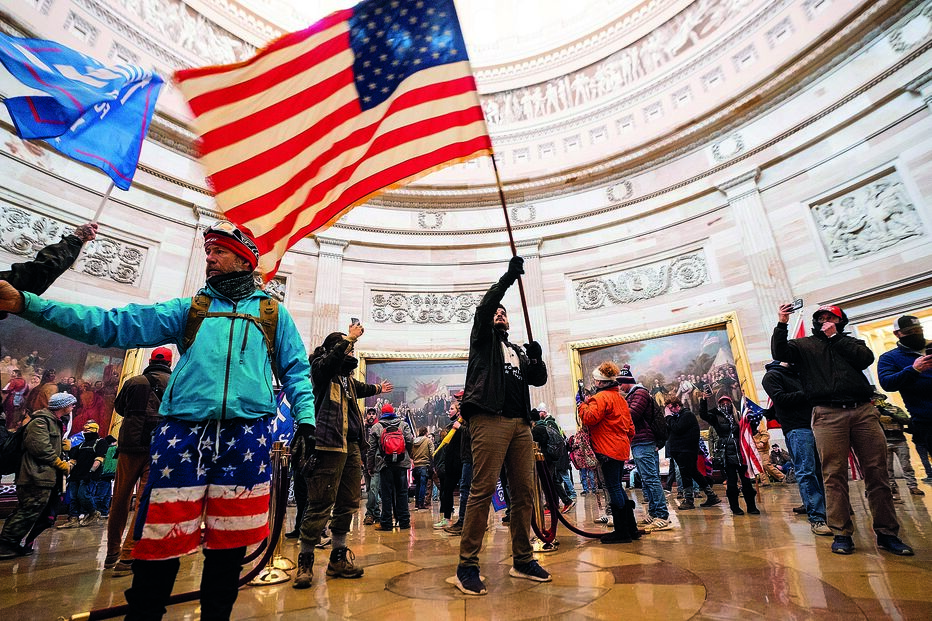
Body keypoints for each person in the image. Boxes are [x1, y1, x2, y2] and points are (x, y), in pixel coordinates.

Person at [0, 220, 317, 618]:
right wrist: (28, 304)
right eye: (208, 252)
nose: (210, 258)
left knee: (228, 549)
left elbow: (297, 371)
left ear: (244, 258)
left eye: (219, 251)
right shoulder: (189, 309)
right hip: (182, 435)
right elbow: (111, 324)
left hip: (246, 434)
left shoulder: (274, 314)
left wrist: (305, 420)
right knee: (159, 544)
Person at [772, 303, 912, 556]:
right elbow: (779, 350)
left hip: (862, 412)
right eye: (820, 318)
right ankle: (841, 532)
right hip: (827, 414)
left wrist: (834, 337)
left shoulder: (852, 343)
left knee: (877, 473)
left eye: (830, 318)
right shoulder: (804, 346)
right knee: (833, 474)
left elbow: (865, 359)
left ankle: (887, 533)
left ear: (840, 321)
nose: (824, 321)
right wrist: (782, 322)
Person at [454, 256, 549, 596]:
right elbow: (484, 308)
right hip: (488, 418)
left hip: (520, 423)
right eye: (498, 312)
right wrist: (509, 278)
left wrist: (536, 357)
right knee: (481, 490)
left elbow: (537, 379)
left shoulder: (516, 350)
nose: (499, 314)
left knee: (524, 492)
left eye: (504, 313)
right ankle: (467, 564)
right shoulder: (482, 340)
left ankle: (522, 559)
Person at [294, 325, 392, 589]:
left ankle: (338, 558)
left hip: (351, 447)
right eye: (348, 349)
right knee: (320, 503)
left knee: (348, 502)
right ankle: (305, 561)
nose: (351, 353)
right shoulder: (321, 371)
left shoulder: (346, 379)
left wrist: (377, 388)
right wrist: (348, 338)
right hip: (328, 445)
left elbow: (361, 388)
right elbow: (329, 363)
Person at [104, 347, 172, 576]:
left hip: (130, 445)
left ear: (151, 360)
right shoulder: (174, 383)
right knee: (145, 500)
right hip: (158, 446)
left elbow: (120, 408)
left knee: (120, 498)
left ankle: (112, 550)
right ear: (170, 363)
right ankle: (128, 554)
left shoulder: (134, 382)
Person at [0, 392, 75, 559]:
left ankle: (12, 542)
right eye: (71, 403)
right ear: (62, 406)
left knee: (32, 511)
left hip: (43, 476)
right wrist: (59, 463)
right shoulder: (41, 421)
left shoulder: (54, 422)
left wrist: (63, 448)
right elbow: (40, 448)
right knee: (28, 510)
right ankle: (5, 544)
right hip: (34, 475)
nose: (73, 407)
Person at [762, 360, 830, 531]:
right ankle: (817, 517)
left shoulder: (800, 375)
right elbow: (781, 399)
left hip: (817, 424)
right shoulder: (772, 376)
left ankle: (824, 508)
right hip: (797, 428)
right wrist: (809, 392)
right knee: (806, 471)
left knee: (820, 471)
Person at [577, 362, 638, 543]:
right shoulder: (620, 398)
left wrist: (581, 405)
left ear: (600, 382)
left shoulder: (601, 398)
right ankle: (631, 528)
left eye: (596, 380)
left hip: (606, 449)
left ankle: (622, 532)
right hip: (620, 448)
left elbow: (589, 418)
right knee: (618, 486)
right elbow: (631, 429)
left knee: (613, 487)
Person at [616, 365, 674, 531]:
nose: (619, 387)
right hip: (639, 441)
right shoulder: (633, 394)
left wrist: (616, 406)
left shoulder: (640, 393)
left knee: (651, 479)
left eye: (621, 384)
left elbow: (632, 414)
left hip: (644, 441)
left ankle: (662, 515)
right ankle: (654, 513)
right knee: (646, 479)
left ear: (628, 382)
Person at [878, 315, 931, 490]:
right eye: (909, 332)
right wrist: (914, 369)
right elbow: (887, 383)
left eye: (918, 331)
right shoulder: (890, 358)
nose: (915, 334)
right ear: (897, 334)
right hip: (926, 419)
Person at [699, 396, 759, 515]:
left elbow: (750, 430)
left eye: (727, 402)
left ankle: (751, 506)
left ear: (731, 403)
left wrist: (753, 421)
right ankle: (735, 507)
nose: (725, 404)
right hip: (726, 451)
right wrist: (703, 401)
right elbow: (704, 415)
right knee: (731, 482)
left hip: (741, 450)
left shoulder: (739, 415)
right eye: (722, 403)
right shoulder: (716, 416)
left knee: (746, 481)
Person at [368, 403, 414, 531]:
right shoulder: (403, 424)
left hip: (385, 464)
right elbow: (410, 440)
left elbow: (371, 449)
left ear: (382, 413)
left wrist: (370, 466)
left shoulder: (377, 427)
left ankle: (386, 523)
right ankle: (404, 522)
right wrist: (408, 454)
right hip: (401, 464)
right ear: (393, 412)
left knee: (386, 494)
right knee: (402, 492)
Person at [664, 397, 715, 512]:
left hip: (686, 450)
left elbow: (677, 429)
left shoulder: (687, 415)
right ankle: (711, 495)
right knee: (693, 472)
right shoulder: (677, 417)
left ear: (677, 405)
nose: (670, 411)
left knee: (686, 474)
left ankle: (689, 500)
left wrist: (668, 417)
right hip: (681, 450)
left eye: (670, 408)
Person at [873, 392, 923, 501]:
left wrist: (891, 415)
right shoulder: (873, 412)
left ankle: (912, 486)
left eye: (879, 398)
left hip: (899, 440)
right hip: (884, 441)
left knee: (906, 465)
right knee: (887, 467)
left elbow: (906, 419)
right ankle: (891, 486)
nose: (877, 400)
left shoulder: (895, 409)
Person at [410, 426, 433, 511]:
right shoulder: (428, 441)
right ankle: (421, 503)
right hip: (424, 465)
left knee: (418, 485)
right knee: (423, 485)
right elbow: (432, 453)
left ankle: (416, 503)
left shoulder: (414, 442)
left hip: (416, 467)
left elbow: (411, 454)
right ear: (426, 432)